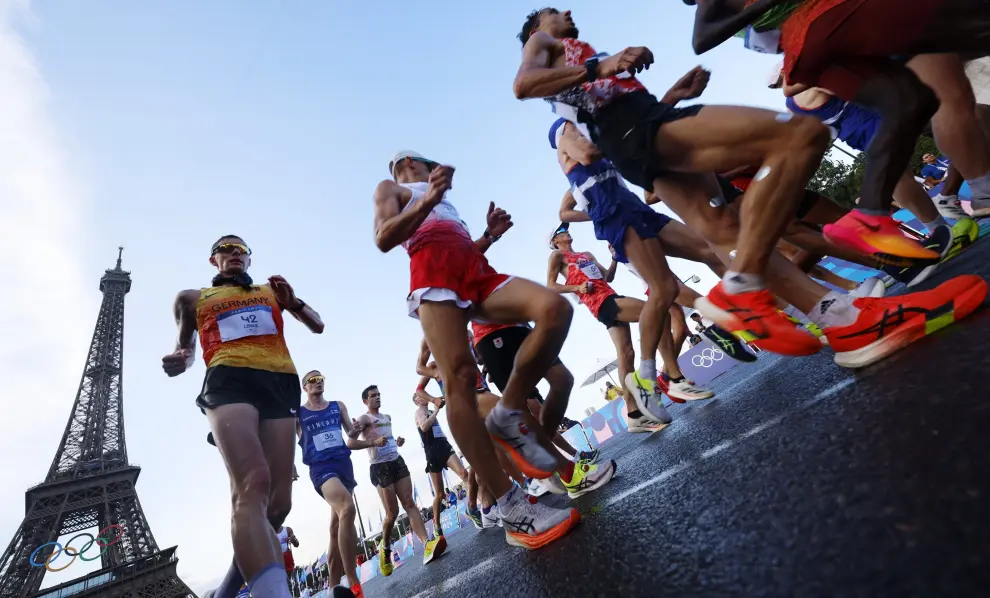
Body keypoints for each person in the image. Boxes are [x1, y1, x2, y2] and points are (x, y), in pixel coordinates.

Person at [513, 13, 988, 368]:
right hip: (637, 133)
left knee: (726, 231)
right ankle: (740, 288)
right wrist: (603, 67)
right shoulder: (544, 41)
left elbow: (600, 107)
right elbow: (523, 84)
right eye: (555, 10)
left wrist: (672, 95)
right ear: (538, 24)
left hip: (637, 136)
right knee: (800, 137)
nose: (567, 14)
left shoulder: (580, 67)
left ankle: (846, 322)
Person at [373, 149, 582, 549]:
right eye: (419, 164)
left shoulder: (444, 198)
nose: (425, 169)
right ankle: (511, 508)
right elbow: (384, 237)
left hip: (475, 271)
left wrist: (487, 237)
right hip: (432, 275)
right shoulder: (394, 189)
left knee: (554, 309)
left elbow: (461, 250)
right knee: (461, 379)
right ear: (410, 166)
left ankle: (508, 410)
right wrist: (429, 200)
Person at [687, 1, 990, 226]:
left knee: (944, 100)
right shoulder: (793, 85)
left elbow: (715, 38)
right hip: (841, 24)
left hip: (822, 46)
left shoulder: (764, 45)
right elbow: (702, 39)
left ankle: (952, 211)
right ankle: (967, 198)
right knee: (950, 97)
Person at [163, 235, 324, 598]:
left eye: (241, 250)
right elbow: (185, 350)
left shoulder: (272, 290)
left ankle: (227, 592)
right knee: (254, 480)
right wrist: (180, 360)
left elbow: (317, 324)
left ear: (249, 260)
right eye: (226, 249)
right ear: (213, 260)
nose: (234, 253)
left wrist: (293, 302)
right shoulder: (192, 298)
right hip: (228, 380)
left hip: (279, 381)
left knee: (279, 506)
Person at [547, 223, 715, 411]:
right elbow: (551, 285)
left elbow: (607, 277)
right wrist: (577, 288)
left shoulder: (587, 255)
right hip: (601, 303)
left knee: (626, 355)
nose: (566, 231)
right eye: (561, 231)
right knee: (654, 313)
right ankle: (673, 378)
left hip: (610, 296)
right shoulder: (557, 256)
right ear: (555, 240)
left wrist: (614, 259)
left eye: (565, 229)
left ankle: (633, 413)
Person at [352, 385, 444, 573]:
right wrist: (372, 442)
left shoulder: (387, 418)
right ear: (365, 401)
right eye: (373, 396)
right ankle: (384, 547)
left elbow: (387, 438)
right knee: (392, 514)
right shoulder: (364, 419)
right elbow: (351, 442)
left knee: (409, 502)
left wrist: (397, 442)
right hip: (379, 466)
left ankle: (427, 544)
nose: (377, 398)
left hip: (396, 460)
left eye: (379, 394)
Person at [296, 371, 364, 597]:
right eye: (312, 380)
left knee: (335, 528)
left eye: (320, 378)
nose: (318, 382)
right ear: (305, 387)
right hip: (321, 468)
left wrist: (359, 427)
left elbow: (350, 435)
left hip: (344, 464)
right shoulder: (299, 413)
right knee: (347, 508)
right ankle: (353, 581)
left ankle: (334, 588)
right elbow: (286, 439)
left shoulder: (338, 406)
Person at [412, 381, 469, 543]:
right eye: (420, 396)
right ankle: (436, 525)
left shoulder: (430, 409)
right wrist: (436, 410)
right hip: (432, 452)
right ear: (417, 400)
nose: (423, 396)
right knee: (439, 493)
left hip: (443, 445)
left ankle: (475, 508)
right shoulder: (419, 412)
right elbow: (424, 427)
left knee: (464, 473)